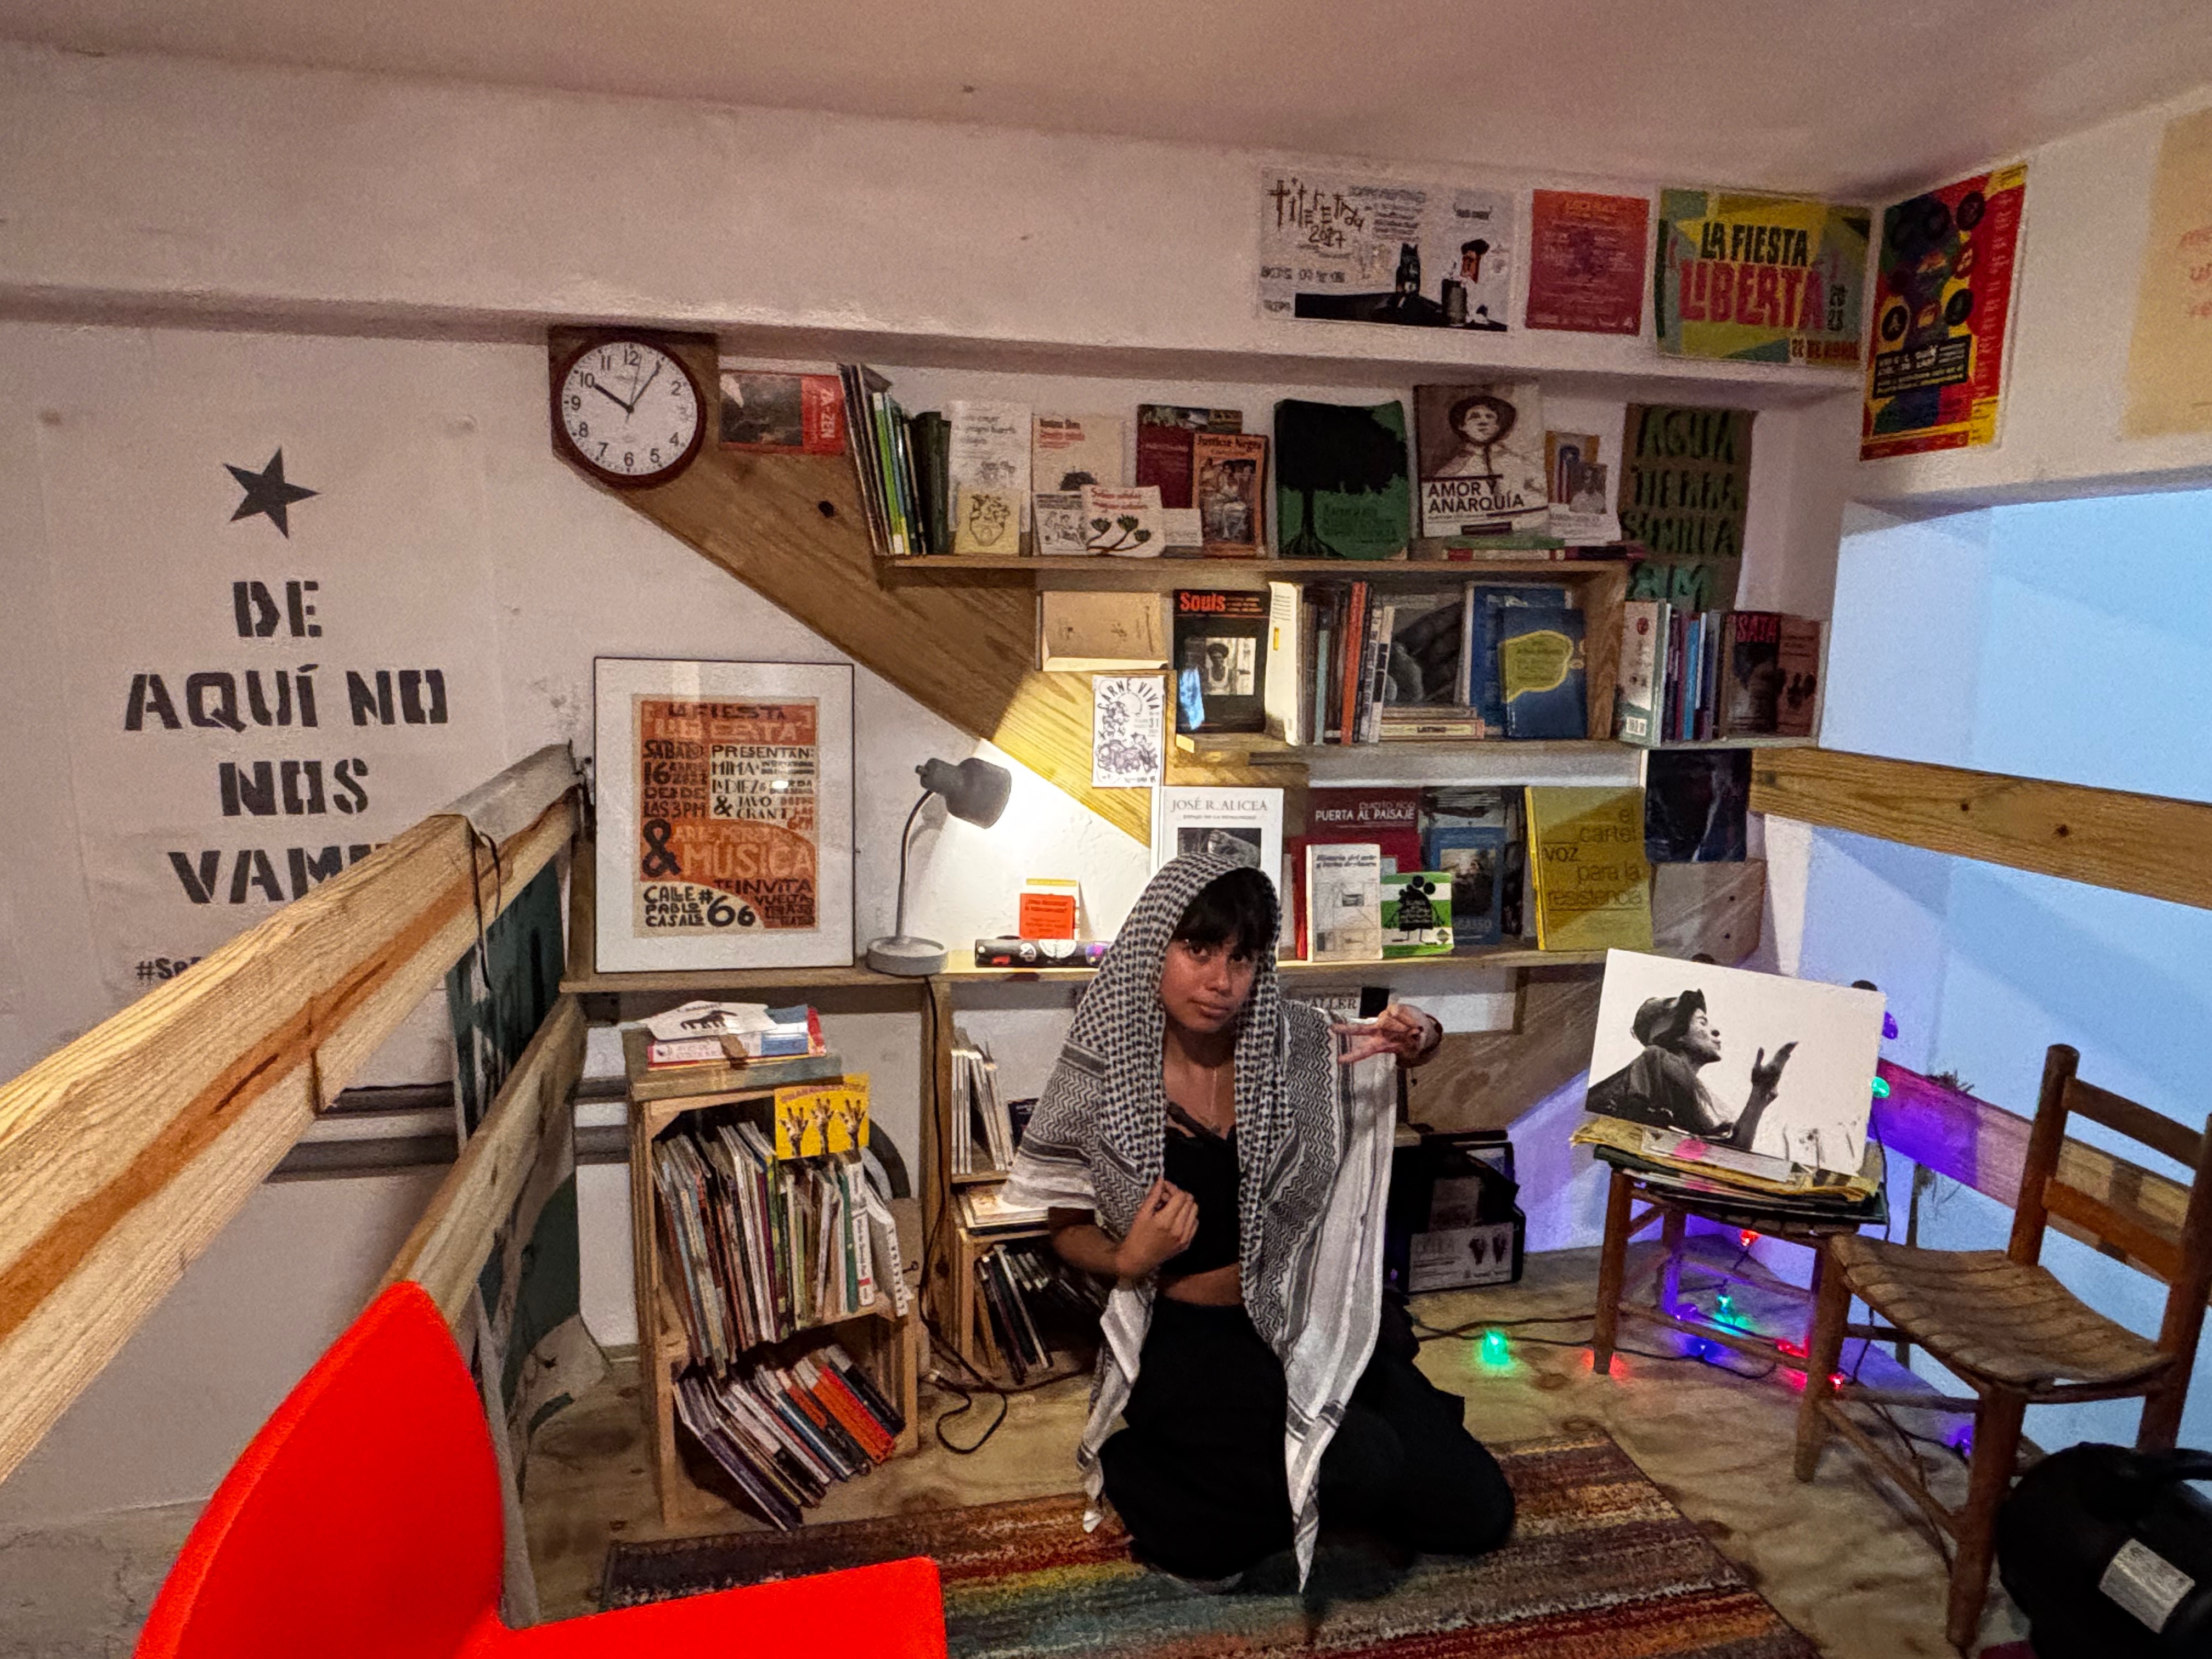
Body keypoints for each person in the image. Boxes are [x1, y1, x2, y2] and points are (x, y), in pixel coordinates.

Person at [1003, 854, 1516, 1587]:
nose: (1221, 980)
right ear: (1155, 946)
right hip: (1188, 1336)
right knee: (1361, 1463)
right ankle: (1146, 1470)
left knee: (1476, 1514)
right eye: (1198, 950)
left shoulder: (1289, 1043)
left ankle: (1304, 1487)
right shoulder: (1104, 1067)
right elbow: (1062, 1224)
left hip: (1302, 1312)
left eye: (1241, 957)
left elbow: (1390, 1038)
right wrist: (1126, 1259)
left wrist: (1420, 1036)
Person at [1584, 988, 1795, 1151]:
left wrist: (1759, 1095)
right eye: (1703, 1023)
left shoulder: (1672, 1079)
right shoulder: (1656, 1062)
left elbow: (1724, 1154)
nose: (1715, 1031)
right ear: (1677, 1034)